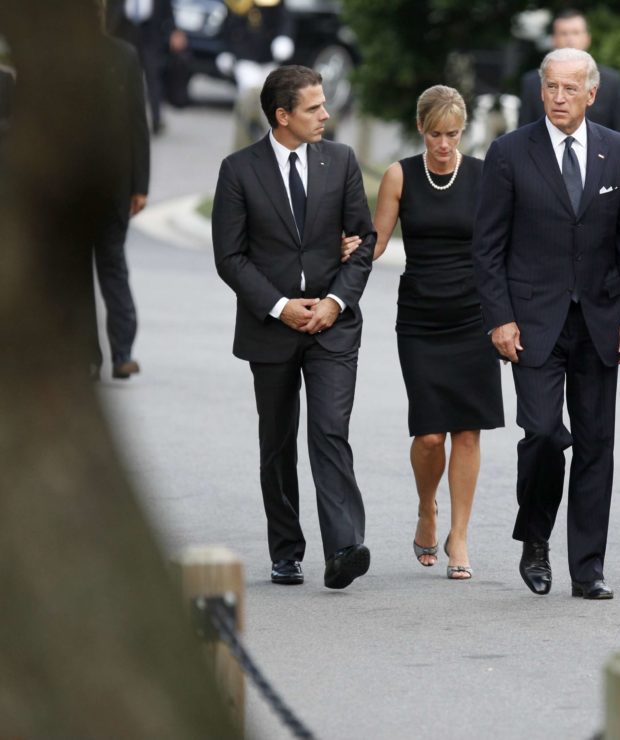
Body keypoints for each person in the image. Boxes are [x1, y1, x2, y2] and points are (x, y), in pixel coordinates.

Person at [474, 48, 620, 600]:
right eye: (551, 87)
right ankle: (535, 538)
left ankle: (588, 569)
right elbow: (488, 247)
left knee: (597, 444)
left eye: (570, 89)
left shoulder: (617, 152)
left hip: (599, 321)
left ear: (592, 94)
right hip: (532, 323)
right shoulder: (508, 153)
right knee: (545, 434)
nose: (558, 97)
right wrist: (499, 318)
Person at [212, 65, 376, 589]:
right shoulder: (238, 170)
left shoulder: (342, 161)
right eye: (313, 108)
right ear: (282, 116)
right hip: (272, 327)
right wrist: (281, 306)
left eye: (324, 105)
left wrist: (334, 301)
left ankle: (344, 548)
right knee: (278, 441)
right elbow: (230, 257)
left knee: (330, 430)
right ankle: (287, 550)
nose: (326, 115)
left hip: (333, 324)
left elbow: (363, 241)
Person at [370, 85, 504, 580]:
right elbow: (376, 242)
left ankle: (460, 536)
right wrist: (341, 258)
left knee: (467, 430)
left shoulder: (485, 176)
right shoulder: (399, 175)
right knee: (429, 436)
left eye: (452, 134)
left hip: (473, 316)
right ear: (421, 129)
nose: (444, 144)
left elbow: (500, 247)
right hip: (422, 318)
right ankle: (428, 508)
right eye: (434, 134)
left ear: (462, 131)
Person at [92, 13, 150, 381]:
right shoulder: (122, 54)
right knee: (110, 266)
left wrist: (140, 185)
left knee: (102, 265)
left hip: (107, 184)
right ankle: (115, 353)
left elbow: (136, 122)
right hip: (103, 184)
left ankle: (111, 354)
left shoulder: (124, 56)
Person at [518, 8, 620, 137]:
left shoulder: (611, 81)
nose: (570, 39)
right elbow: (524, 133)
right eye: (564, 33)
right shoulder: (533, 81)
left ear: (587, 38)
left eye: (575, 33)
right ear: (554, 39)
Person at [216, 0, 296, 149]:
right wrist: (225, 50)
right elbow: (227, 26)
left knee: (271, 104)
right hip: (245, 58)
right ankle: (244, 146)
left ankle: (274, 146)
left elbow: (285, 20)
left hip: (268, 60)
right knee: (249, 97)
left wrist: (284, 37)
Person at [105, 0, 187, 135]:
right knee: (123, 78)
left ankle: (156, 120)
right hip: (126, 32)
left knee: (153, 77)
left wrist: (174, 31)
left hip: (150, 35)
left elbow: (167, 9)